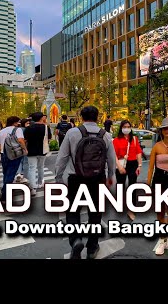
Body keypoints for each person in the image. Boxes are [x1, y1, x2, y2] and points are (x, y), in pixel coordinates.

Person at [55, 106, 116, 259]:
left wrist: (58, 178)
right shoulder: (106, 135)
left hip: (76, 178)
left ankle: (75, 239)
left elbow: (62, 157)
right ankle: (92, 247)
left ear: (81, 117)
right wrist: (110, 175)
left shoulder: (72, 132)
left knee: (73, 211)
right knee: (95, 213)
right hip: (98, 179)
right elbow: (111, 159)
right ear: (98, 117)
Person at [146, 117, 168, 256]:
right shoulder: (157, 146)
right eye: (165, 128)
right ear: (161, 131)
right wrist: (148, 185)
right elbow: (150, 169)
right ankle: (162, 239)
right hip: (159, 179)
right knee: (160, 211)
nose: (167, 130)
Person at [113, 120, 143, 221]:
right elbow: (114, 155)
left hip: (133, 164)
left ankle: (131, 209)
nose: (126, 128)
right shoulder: (116, 140)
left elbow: (138, 152)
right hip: (121, 164)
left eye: (128, 126)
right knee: (120, 185)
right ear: (121, 128)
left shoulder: (134, 139)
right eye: (124, 126)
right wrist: (120, 167)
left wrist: (139, 165)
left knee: (132, 187)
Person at [0, 116, 27, 203]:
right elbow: (20, 140)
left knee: (6, 173)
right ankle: (5, 195)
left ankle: (5, 190)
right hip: (14, 154)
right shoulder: (17, 130)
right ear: (15, 123)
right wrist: (25, 149)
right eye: (18, 122)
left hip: (3, 154)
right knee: (11, 174)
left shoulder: (0, 132)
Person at [24, 112, 52, 196]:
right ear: (41, 118)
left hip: (31, 150)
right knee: (41, 167)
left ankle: (33, 188)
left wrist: (25, 149)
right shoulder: (46, 127)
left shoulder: (28, 128)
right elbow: (49, 138)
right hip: (42, 150)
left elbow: (25, 140)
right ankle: (41, 182)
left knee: (32, 168)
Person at [14, 118, 31, 184]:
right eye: (27, 123)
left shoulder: (17, 129)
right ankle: (24, 176)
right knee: (25, 162)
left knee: (19, 161)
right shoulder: (26, 130)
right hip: (25, 147)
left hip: (17, 147)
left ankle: (19, 173)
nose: (28, 124)